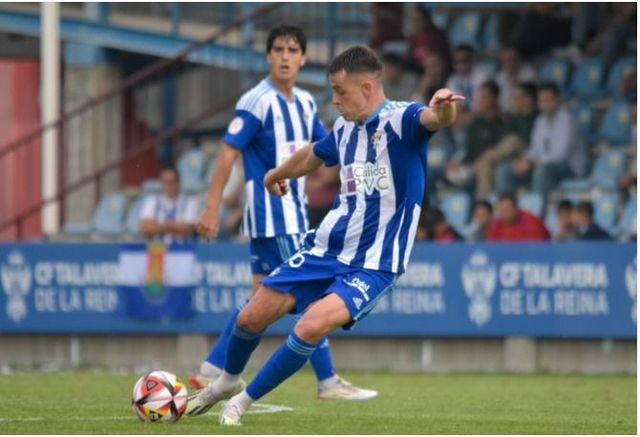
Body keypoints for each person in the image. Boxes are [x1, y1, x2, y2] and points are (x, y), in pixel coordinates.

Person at [187, 46, 463, 425]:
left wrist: (445, 106)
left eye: (340, 91)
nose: (334, 100)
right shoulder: (346, 128)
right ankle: (227, 382)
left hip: (374, 264)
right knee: (250, 317)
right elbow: (313, 155)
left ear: (367, 87)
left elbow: (437, 118)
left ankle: (242, 403)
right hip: (326, 248)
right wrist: (275, 174)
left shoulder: (404, 119)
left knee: (310, 326)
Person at [191, 26, 376, 402]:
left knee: (260, 297)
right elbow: (228, 152)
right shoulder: (256, 100)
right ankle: (328, 381)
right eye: (278, 49)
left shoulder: (306, 102)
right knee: (309, 296)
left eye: (293, 49)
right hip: (272, 215)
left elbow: (323, 150)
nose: (286, 56)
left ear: (304, 58)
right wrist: (211, 206)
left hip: (295, 212)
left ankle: (211, 369)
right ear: (268, 56)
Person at [495, 82, 587, 203]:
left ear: (558, 100)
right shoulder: (540, 120)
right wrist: (525, 161)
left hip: (569, 168)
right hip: (542, 165)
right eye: (542, 101)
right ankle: (507, 212)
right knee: (505, 171)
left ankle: (536, 213)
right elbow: (534, 149)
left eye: (549, 100)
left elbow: (561, 155)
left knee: (542, 171)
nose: (545, 104)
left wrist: (534, 162)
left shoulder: (567, 120)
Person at [474, 82, 538, 199]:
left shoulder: (537, 118)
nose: (515, 101)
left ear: (529, 99)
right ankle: (485, 205)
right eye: (514, 98)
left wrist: (492, 154)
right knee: (485, 169)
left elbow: (528, 145)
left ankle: (487, 158)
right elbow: (502, 142)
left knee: (513, 140)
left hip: (529, 158)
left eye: (519, 97)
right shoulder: (513, 119)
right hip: (511, 157)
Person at [445, 81, 505, 191]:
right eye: (480, 97)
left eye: (485, 97)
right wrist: (458, 163)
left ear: (494, 98)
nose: (481, 100)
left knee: (484, 169)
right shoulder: (475, 124)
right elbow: (469, 151)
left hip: (491, 165)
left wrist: (481, 162)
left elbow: (499, 149)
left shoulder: (502, 122)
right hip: (472, 166)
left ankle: (483, 205)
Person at [139, 166, 199, 243]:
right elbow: (145, 228)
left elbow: (189, 228)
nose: (169, 186)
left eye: (172, 182)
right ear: (161, 183)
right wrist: (174, 226)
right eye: (165, 182)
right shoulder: (152, 201)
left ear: (178, 182)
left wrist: (159, 226)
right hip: (158, 249)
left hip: (184, 250)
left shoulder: (190, 202)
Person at [406, 5, 451, 73]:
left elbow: (437, 60)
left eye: (418, 20)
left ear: (426, 20)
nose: (415, 24)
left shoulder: (436, 36)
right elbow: (408, 59)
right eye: (413, 20)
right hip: (417, 71)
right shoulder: (413, 38)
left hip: (436, 72)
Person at [445, 44, 490, 112]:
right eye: (457, 62)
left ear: (472, 60)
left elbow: (482, 105)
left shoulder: (483, 77)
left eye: (464, 61)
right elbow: (454, 106)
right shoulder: (452, 80)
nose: (460, 65)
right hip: (462, 117)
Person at [495, 47, 537, 114]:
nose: (508, 63)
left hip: (525, 113)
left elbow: (531, 102)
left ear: (518, 59)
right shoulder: (499, 78)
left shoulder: (529, 75)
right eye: (505, 61)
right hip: (505, 114)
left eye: (511, 60)